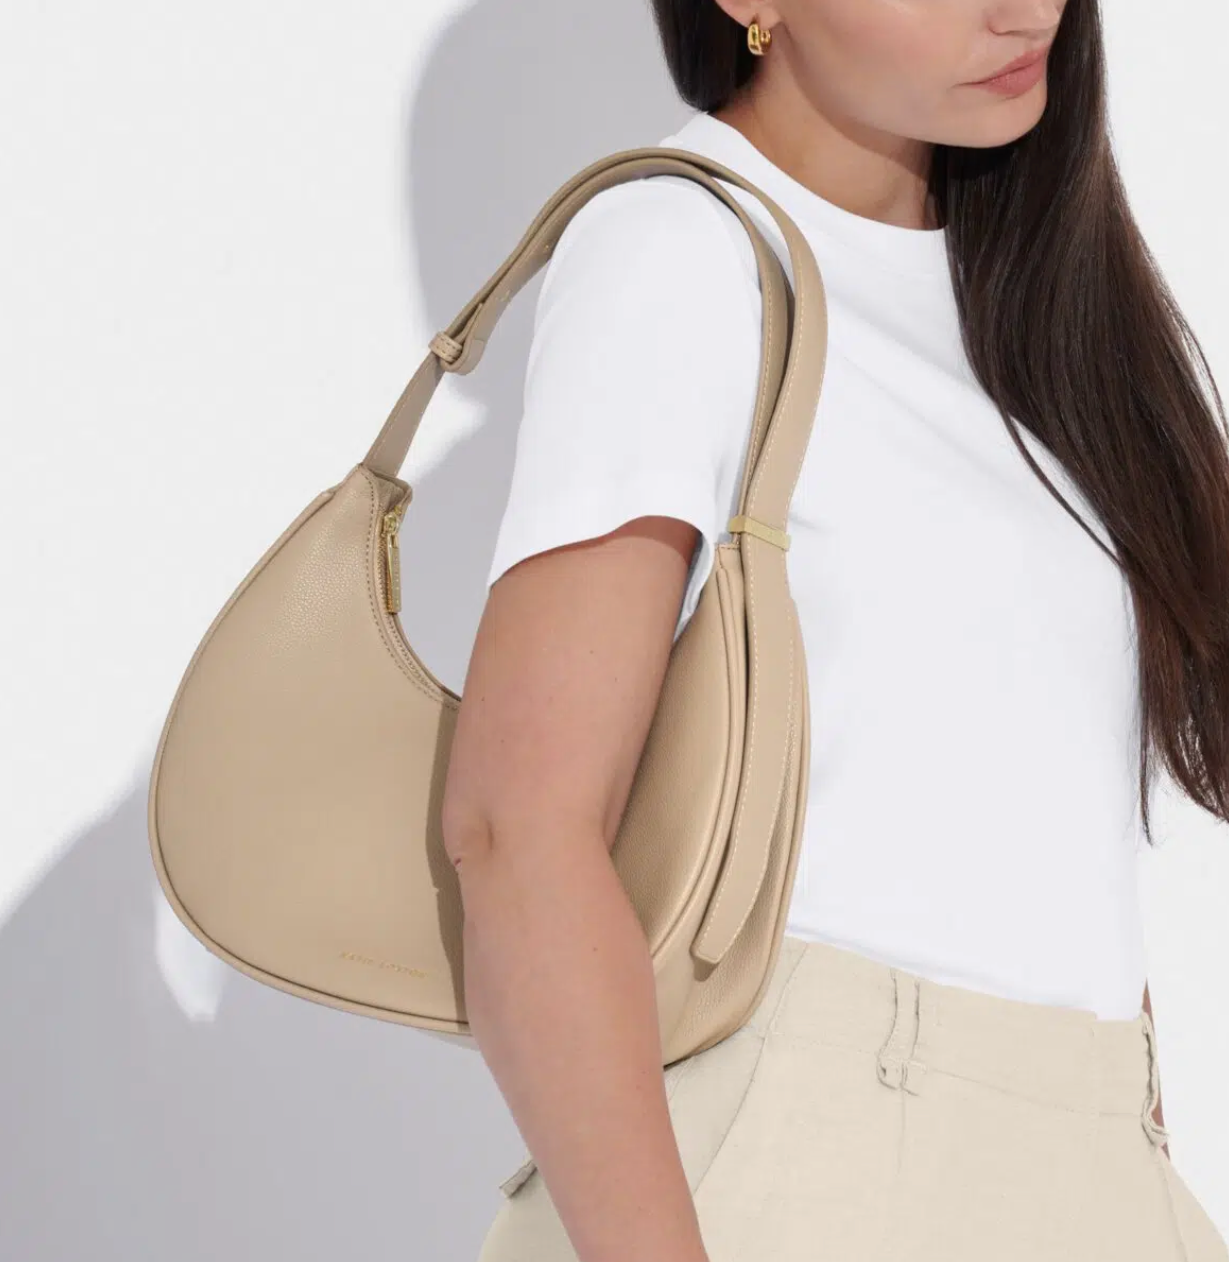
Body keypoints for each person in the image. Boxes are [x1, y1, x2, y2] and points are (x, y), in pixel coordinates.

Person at [440, 1, 1229, 1259]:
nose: (1025, 8)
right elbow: (517, 828)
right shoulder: (685, 246)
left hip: (1090, 1152)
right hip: (820, 1157)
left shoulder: (1038, 302)